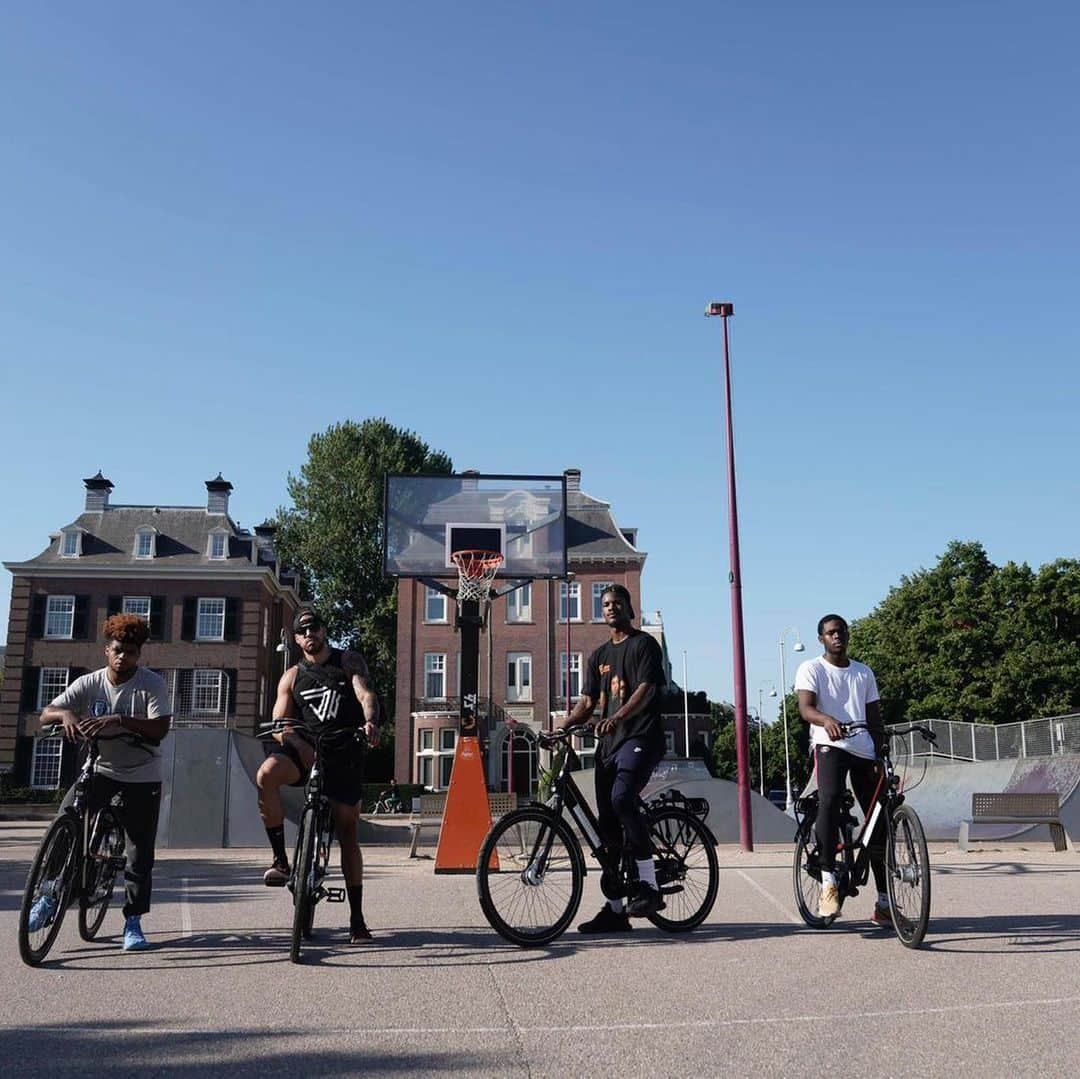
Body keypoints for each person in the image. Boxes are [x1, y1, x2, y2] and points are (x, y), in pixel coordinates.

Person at [40, 613, 172, 951]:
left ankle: (133, 922)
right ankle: (49, 895)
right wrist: (66, 714)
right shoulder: (90, 683)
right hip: (99, 768)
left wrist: (120, 720)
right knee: (64, 821)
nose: (122, 657)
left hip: (141, 774)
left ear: (138, 655)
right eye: (117, 650)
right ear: (106, 651)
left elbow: (159, 729)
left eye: (129, 652)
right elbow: (46, 713)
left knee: (138, 852)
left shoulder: (151, 684)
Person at [256, 607, 380, 944]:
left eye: (314, 628)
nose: (309, 634)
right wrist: (297, 741)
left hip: (343, 749)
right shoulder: (292, 676)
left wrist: (370, 721)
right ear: (296, 639)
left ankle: (357, 919)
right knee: (266, 773)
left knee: (348, 831)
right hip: (303, 749)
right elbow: (280, 725)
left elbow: (365, 693)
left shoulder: (348, 661)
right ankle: (281, 860)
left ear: (324, 631)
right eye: (303, 631)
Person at [560, 584, 667, 934]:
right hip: (609, 746)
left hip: (640, 738)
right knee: (607, 829)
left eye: (617, 603)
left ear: (629, 608)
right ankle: (616, 911)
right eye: (605, 604)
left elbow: (647, 689)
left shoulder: (644, 645)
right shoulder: (598, 656)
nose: (610, 608)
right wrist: (562, 725)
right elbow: (588, 702)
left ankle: (649, 884)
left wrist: (619, 717)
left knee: (622, 799)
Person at [795, 614, 889, 924]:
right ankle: (828, 882)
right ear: (821, 638)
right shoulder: (812, 668)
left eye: (842, 632)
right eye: (831, 633)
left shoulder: (864, 673)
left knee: (878, 820)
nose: (838, 637)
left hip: (862, 748)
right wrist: (826, 720)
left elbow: (874, 718)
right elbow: (806, 708)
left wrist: (880, 750)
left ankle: (884, 902)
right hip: (829, 744)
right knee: (831, 799)